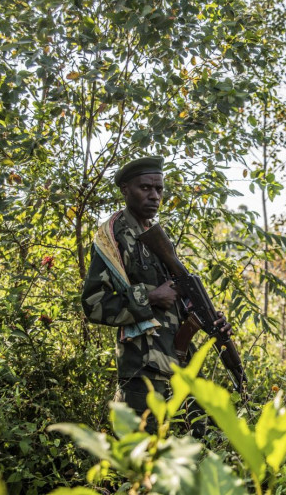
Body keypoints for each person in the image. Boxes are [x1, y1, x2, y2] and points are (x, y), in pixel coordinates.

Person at [81, 156, 230, 434]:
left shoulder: (156, 236)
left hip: (179, 361)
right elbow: (93, 305)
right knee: (139, 452)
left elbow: (178, 297)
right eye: (145, 188)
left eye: (159, 189)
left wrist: (210, 318)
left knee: (198, 439)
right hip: (142, 368)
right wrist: (150, 298)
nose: (154, 196)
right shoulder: (113, 236)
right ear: (125, 189)